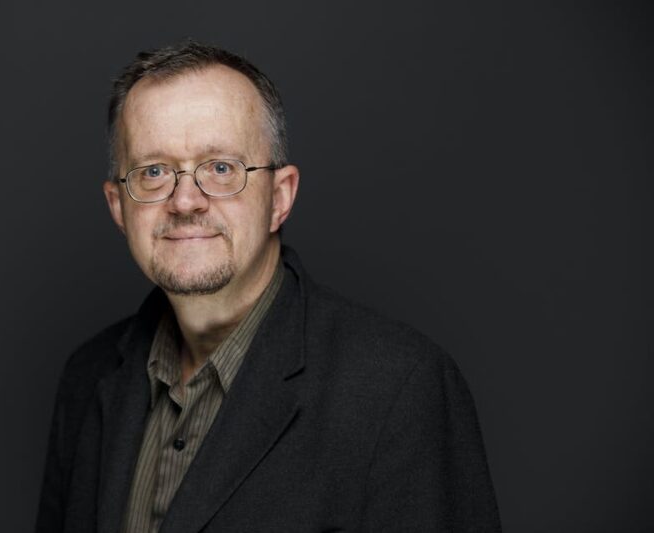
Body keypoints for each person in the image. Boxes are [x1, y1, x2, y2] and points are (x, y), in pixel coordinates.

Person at [35, 41, 501, 532]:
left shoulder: (400, 390)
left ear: (280, 198)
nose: (186, 200)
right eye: (154, 172)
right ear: (117, 207)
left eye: (221, 168)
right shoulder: (87, 377)